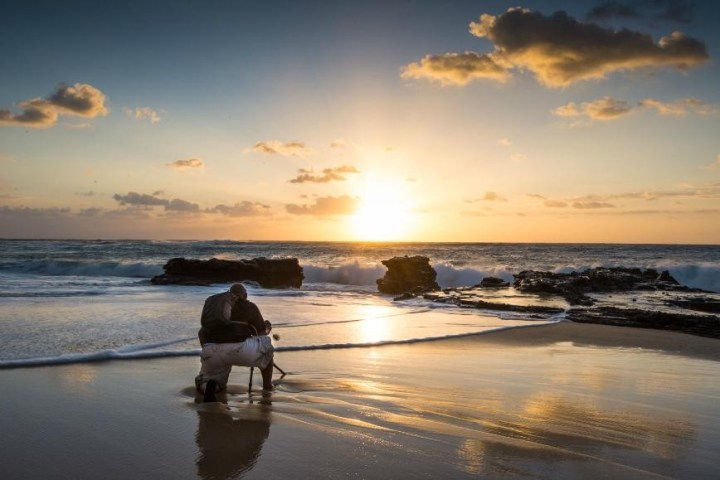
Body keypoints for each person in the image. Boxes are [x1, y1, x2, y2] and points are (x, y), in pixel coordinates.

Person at [195, 283, 274, 400]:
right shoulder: (249, 306)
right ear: (245, 295)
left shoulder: (216, 309)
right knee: (267, 346)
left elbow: (201, 333)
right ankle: (267, 386)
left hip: (212, 350)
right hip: (240, 350)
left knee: (212, 381)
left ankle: (209, 387)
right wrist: (268, 327)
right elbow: (261, 333)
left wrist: (207, 351)